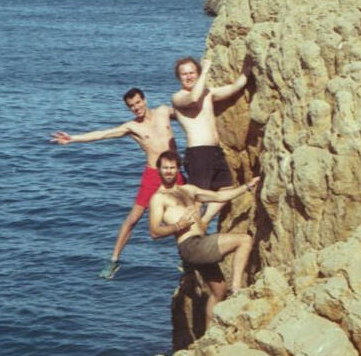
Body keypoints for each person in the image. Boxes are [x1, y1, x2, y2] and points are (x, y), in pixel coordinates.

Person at [50, 88, 183, 279]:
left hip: (174, 169)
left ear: (144, 100)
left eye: (138, 103)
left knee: (188, 210)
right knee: (133, 219)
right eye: (131, 106)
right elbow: (103, 134)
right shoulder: (132, 127)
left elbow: (189, 115)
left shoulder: (164, 112)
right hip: (153, 174)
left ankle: (185, 257)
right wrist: (73, 139)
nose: (136, 108)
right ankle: (113, 260)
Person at [148, 150, 259, 328]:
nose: (168, 171)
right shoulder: (158, 199)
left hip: (200, 243)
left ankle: (208, 335)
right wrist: (177, 226)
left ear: (177, 169)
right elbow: (154, 231)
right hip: (191, 246)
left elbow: (219, 196)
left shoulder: (188, 190)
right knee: (244, 240)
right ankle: (237, 288)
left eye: (172, 168)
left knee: (218, 291)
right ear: (159, 170)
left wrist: (246, 187)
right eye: (165, 168)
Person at [171, 56, 250, 229]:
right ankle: (190, 234)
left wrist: (249, 66)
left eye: (192, 72)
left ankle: (204, 222)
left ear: (196, 73)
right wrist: (205, 70)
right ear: (179, 78)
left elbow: (235, 87)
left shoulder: (208, 93)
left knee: (226, 189)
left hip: (214, 152)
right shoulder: (178, 97)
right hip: (198, 153)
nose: (189, 76)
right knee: (197, 199)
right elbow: (193, 98)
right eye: (184, 74)